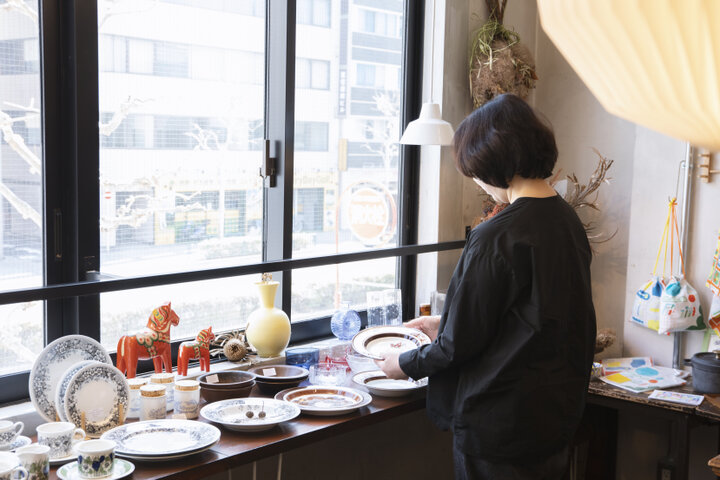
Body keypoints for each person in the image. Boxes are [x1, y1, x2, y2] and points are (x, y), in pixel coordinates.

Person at [377, 93, 597, 480]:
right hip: (554, 416)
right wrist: (446, 321)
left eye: (475, 171)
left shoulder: (496, 236)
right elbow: (534, 317)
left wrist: (404, 364)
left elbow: (457, 345)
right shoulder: (566, 221)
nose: (478, 182)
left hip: (500, 425)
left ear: (495, 163)